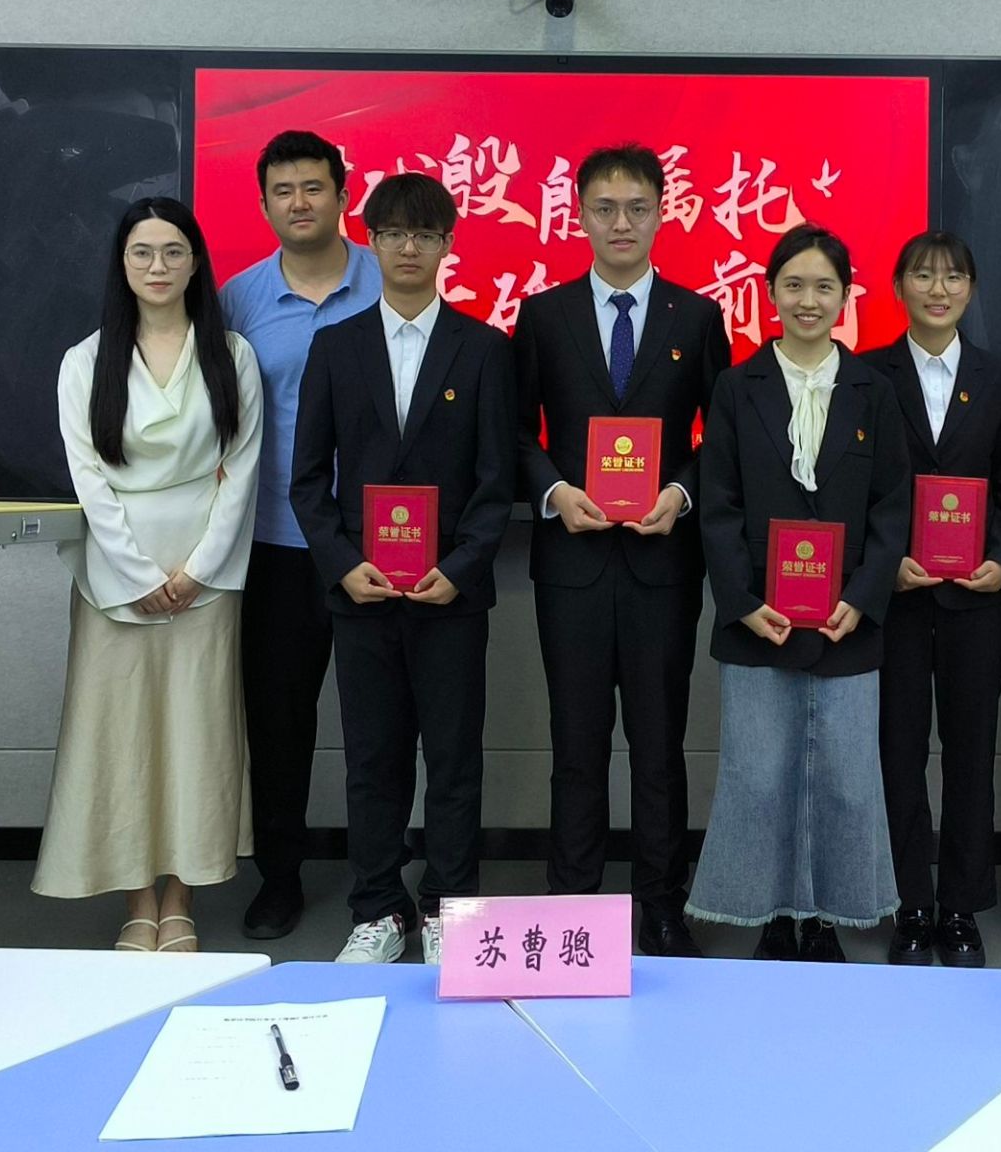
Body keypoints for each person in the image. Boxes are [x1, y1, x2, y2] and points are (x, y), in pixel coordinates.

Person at [291, 172, 515, 965]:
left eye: (425, 234)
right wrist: (342, 564)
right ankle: (378, 910)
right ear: (373, 242)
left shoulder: (485, 349)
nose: (409, 247)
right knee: (373, 761)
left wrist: (461, 564)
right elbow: (307, 480)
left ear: (448, 244)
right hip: (363, 596)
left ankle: (450, 911)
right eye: (393, 234)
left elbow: (497, 481)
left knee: (453, 761)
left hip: (450, 596)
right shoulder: (335, 346)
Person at [513, 144, 731, 958]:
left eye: (637, 208)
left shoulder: (695, 317)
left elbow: (723, 437)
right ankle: (574, 904)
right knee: (575, 745)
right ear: (578, 215)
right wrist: (552, 492)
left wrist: (680, 494)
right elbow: (515, 433)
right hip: (570, 565)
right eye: (604, 209)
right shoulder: (544, 316)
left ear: (661, 213)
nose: (621, 223)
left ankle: (661, 906)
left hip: (660, 565)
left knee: (658, 745)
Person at [35, 197, 262, 954]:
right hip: (113, 579)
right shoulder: (84, 360)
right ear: (122, 263)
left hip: (207, 580)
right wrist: (139, 575)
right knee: (121, 740)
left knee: (197, 738)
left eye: (172, 251)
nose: (157, 266)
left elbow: (242, 472)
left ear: (196, 262)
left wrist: (196, 571)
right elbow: (89, 479)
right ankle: (137, 898)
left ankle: (181, 896)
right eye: (142, 252)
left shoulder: (231, 354)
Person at [689, 224, 912, 961]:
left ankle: (825, 919)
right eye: (794, 285)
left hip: (848, 620)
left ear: (846, 296)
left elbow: (893, 506)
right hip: (759, 619)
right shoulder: (736, 387)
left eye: (824, 286)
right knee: (759, 776)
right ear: (770, 293)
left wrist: (864, 594)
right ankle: (773, 919)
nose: (808, 300)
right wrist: (743, 601)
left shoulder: (873, 391)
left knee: (846, 779)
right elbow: (717, 504)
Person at [219, 130, 381, 941]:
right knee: (278, 724)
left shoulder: (390, 278)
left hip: (384, 546)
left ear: (343, 195)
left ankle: (380, 881)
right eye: (283, 191)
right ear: (264, 205)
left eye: (313, 187)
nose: (299, 203)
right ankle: (279, 878)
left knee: (380, 723)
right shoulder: (238, 299)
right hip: (277, 545)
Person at [864, 231, 1001, 967]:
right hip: (897, 599)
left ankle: (960, 906)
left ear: (971, 288)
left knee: (971, 750)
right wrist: (882, 566)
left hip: (977, 597)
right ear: (898, 286)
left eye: (954, 277)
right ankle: (908, 903)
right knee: (897, 751)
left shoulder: (997, 378)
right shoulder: (868, 375)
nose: (939, 289)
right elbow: (859, 486)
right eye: (924, 276)